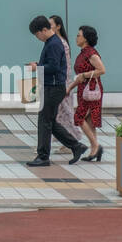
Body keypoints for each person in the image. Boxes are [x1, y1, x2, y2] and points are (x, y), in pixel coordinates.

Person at [25, 15, 87, 167]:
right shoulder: (52, 42)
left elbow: (53, 67)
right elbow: (52, 64)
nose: (37, 37)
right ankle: (76, 146)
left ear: (44, 30)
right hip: (53, 87)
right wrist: (39, 64)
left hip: (53, 88)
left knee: (44, 121)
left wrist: (37, 68)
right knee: (50, 122)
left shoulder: (53, 44)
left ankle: (43, 156)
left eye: (37, 34)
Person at [68, 25, 107, 161]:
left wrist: (85, 75)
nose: (76, 37)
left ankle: (96, 146)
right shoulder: (83, 52)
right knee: (89, 121)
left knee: (79, 117)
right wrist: (70, 88)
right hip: (83, 90)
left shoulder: (91, 53)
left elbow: (102, 70)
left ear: (85, 38)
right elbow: (80, 76)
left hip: (91, 91)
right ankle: (94, 150)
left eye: (79, 35)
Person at [49, 15, 77, 157]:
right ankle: (69, 142)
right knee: (61, 114)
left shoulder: (60, 43)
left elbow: (65, 67)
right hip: (61, 84)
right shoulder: (58, 42)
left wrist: (67, 86)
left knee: (65, 112)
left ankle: (73, 140)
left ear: (58, 26)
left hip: (63, 85)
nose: (49, 27)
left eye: (51, 24)